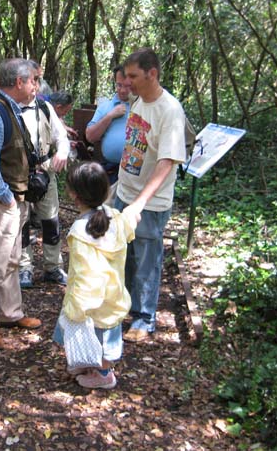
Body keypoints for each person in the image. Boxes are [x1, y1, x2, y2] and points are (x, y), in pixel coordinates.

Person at [111, 48, 187, 343]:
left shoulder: (170, 110)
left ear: (151, 73)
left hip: (149, 203)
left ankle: (145, 318)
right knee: (125, 256)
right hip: (125, 192)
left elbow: (167, 162)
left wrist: (140, 203)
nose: (126, 82)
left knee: (146, 259)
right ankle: (127, 308)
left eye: (132, 76)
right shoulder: (139, 99)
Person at [0, 58, 42, 350]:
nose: (37, 86)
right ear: (19, 82)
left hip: (14, 201)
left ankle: (11, 313)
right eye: (34, 80)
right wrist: (7, 198)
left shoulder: (12, 111)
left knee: (12, 261)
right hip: (1, 203)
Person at [53, 161, 138, 389]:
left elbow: (84, 274)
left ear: (74, 195)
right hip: (113, 296)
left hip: (90, 302)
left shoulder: (80, 231)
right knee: (103, 335)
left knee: (93, 334)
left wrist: (78, 307)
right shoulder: (116, 218)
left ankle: (103, 375)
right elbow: (129, 225)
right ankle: (92, 364)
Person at [17, 62, 70, 288]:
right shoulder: (7, 109)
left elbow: (62, 138)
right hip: (18, 178)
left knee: (51, 221)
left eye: (38, 81)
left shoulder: (45, 108)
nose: (37, 86)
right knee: (22, 224)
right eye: (33, 80)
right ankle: (23, 269)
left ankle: (53, 267)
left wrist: (63, 153)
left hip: (46, 174)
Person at [85, 65, 132, 183]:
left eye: (128, 86)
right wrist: (110, 116)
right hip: (110, 170)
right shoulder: (106, 107)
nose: (122, 90)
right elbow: (90, 136)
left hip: (134, 172)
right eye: (119, 85)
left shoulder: (142, 106)